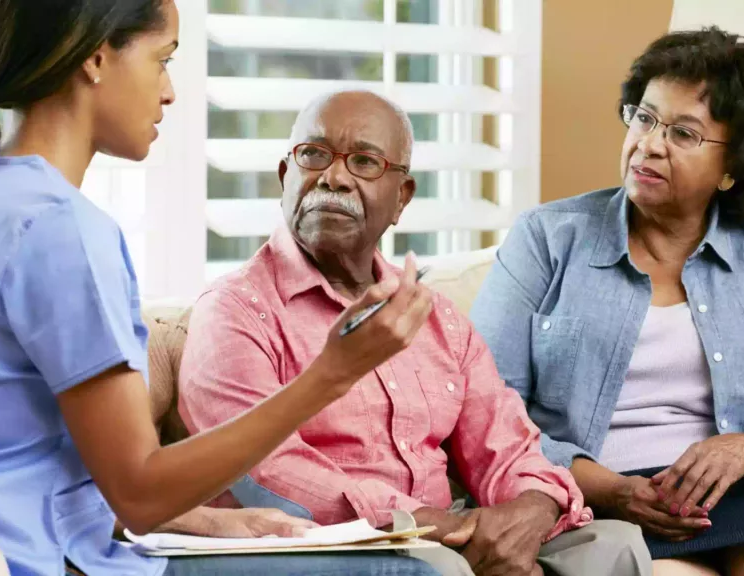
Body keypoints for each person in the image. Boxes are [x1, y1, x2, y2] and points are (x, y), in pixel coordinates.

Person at [0, 2, 442, 576]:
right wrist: (333, 373)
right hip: (40, 562)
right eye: (163, 60)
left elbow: (7, 464)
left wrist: (210, 521)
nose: (169, 92)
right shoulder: (59, 228)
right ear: (96, 57)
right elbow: (139, 490)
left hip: (2, 539)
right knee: (404, 571)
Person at [176, 90, 652, 576]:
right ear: (286, 176)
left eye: (364, 161)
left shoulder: (437, 319)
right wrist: (426, 524)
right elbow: (265, 469)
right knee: (438, 569)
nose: (334, 178)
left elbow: (505, 444)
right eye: (314, 155)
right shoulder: (236, 310)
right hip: (329, 545)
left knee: (612, 544)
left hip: (447, 533)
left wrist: (532, 509)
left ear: (401, 197)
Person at [470, 27, 744, 576]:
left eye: (684, 133)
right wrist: (611, 490)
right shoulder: (546, 239)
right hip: (600, 505)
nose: (650, 143)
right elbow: (485, 419)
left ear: (733, 168)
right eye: (644, 117)